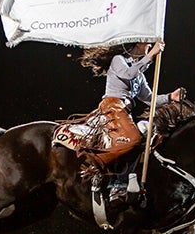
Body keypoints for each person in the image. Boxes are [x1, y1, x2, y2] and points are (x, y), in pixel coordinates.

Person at [78, 40, 182, 174]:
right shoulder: (118, 60)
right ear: (138, 43)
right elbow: (128, 74)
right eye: (148, 43)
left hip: (124, 110)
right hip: (113, 106)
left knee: (143, 142)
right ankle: (96, 164)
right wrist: (151, 55)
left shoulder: (139, 74)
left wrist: (170, 97)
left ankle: (120, 179)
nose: (150, 45)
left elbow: (149, 99)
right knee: (133, 139)